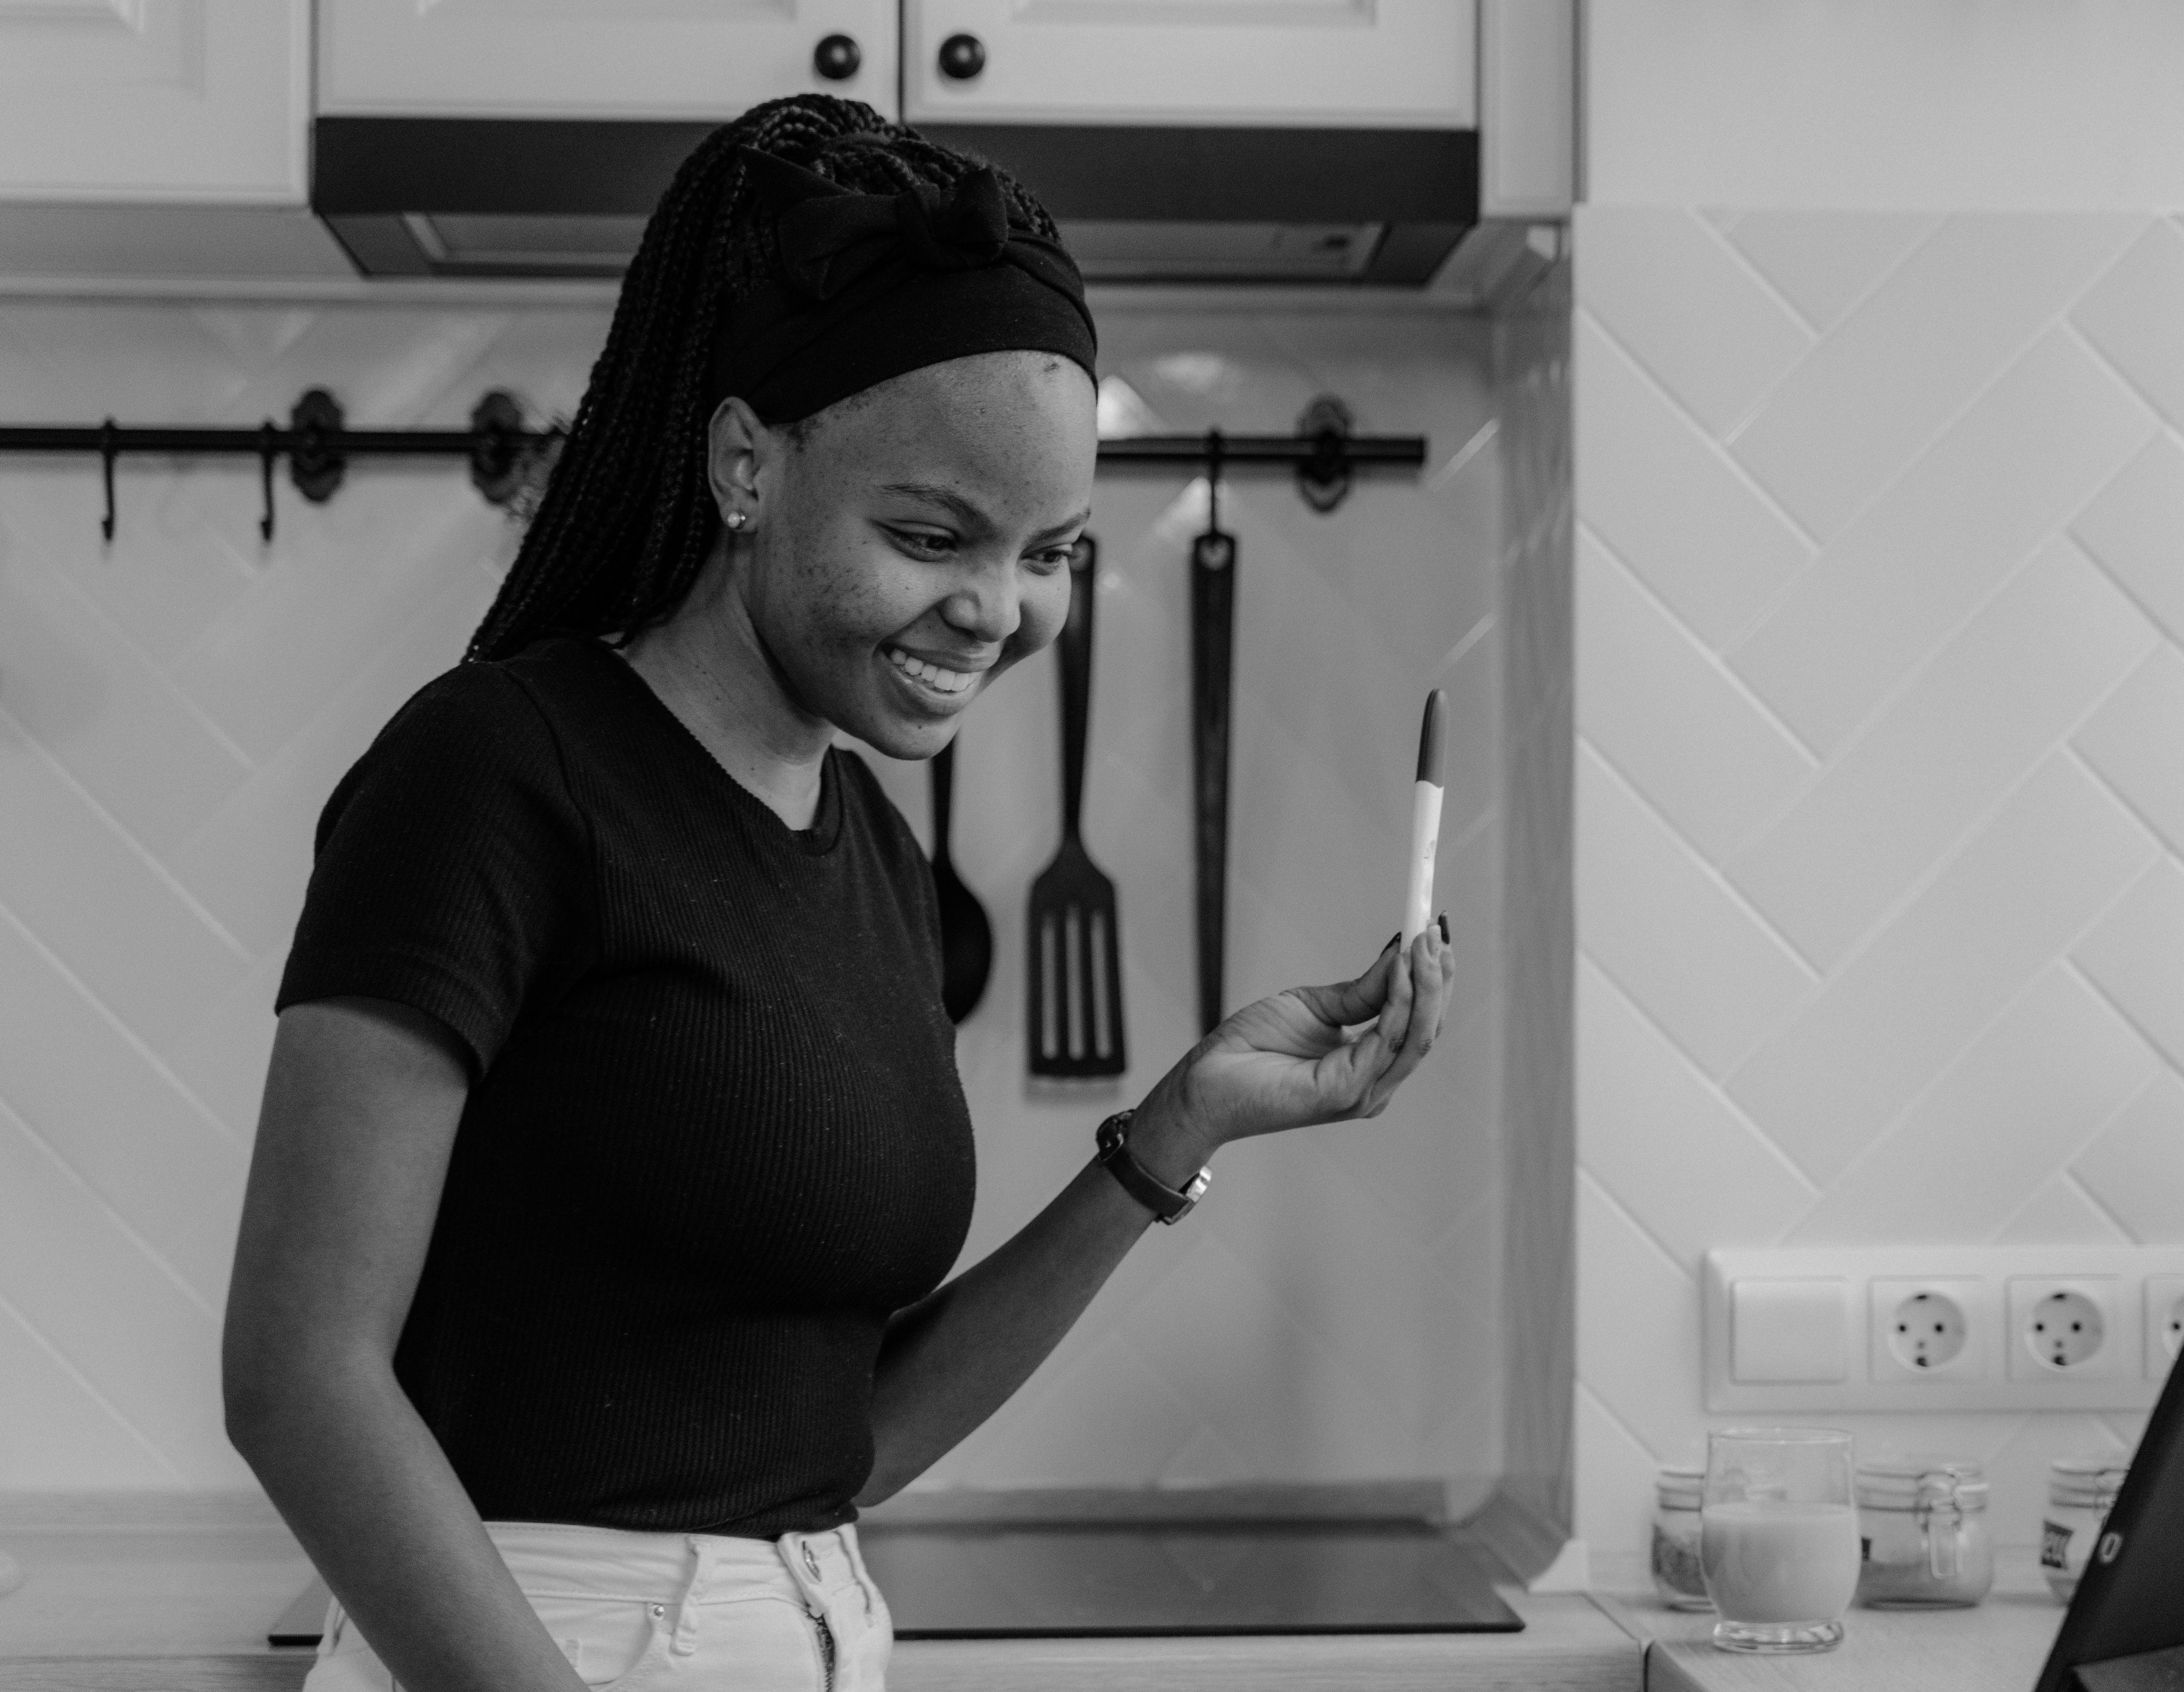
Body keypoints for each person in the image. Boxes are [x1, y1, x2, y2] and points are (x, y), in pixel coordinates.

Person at [219, 95, 1453, 1692]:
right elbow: (298, 1374)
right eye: (933, 533)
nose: (997, 610)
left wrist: (1181, 1125)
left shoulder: (870, 847)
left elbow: (834, 1443)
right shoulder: (498, 773)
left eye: (1053, 551)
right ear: (747, 461)